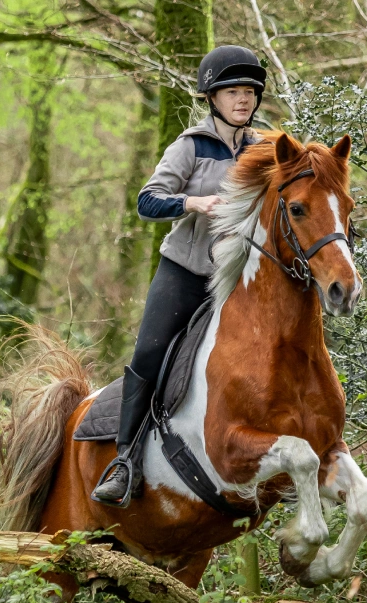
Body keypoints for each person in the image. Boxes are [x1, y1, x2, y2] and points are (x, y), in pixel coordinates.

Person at [92, 45, 268, 505]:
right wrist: (193, 202)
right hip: (187, 272)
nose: (243, 99)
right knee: (150, 350)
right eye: (232, 91)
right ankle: (125, 460)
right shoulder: (189, 146)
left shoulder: (265, 147)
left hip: (240, 281)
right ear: (212, 97)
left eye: (249, 91)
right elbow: (147, 200)